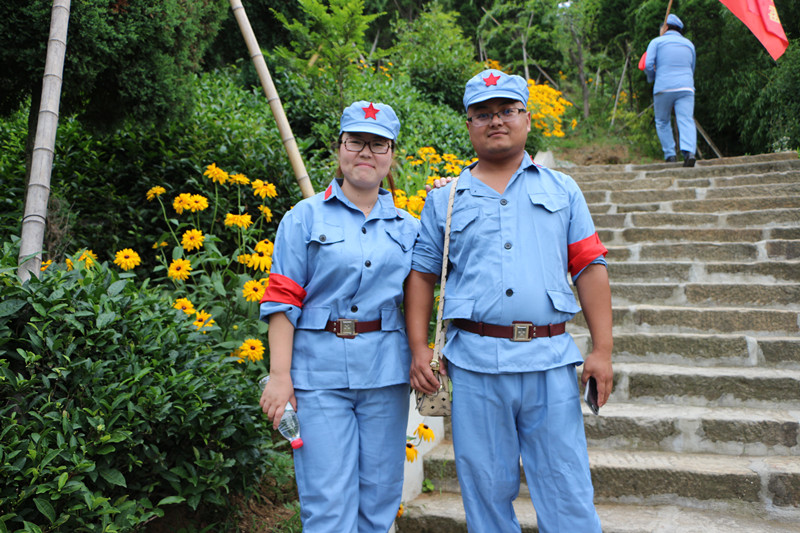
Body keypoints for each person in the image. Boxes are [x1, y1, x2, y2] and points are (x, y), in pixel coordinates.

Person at [405, 69, 613, 533]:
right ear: (469, 125)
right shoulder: (446, 198)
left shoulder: (562, 189)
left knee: (566, 490)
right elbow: (421, 275)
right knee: (485, 494)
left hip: (549, 362)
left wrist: (602, 350)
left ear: (527, 118)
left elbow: (589, 266)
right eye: (482, 114)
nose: (495, 121)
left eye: (506, 110)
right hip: (475, 365)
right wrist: (419, 348)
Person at [259, 101, 419, 532]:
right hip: (318, 376)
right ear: (339, 148)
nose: (366, 152)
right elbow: (283, 300)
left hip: (385, 375)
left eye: (378, 144)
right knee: (328, 502)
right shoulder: (302, 218)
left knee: (380, 498)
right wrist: (279, 376)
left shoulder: (411, 228)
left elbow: (426, 294)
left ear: (391, 155)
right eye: (355, 141)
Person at [645, 13, 697, 167]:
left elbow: (648, 64)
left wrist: (652, 77)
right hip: (686, 87)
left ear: (665, 27)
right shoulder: (689, 44)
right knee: (686, 119)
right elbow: (692, 67)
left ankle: (670, 155)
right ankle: (689, 153)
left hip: (663, 87)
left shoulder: (656, 42)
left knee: (662, 121)